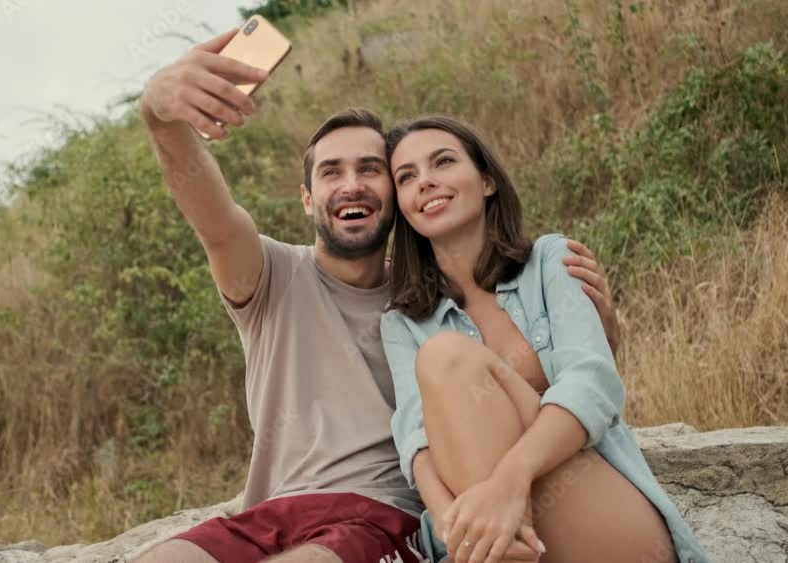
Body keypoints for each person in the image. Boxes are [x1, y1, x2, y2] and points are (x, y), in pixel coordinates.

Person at [135, 29, 618, 563]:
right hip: (268, 513)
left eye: (371, 169)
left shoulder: (431, 298)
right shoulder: (269, 274)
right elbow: (215, 221)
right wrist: (163, 121)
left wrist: (602, 327)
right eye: (331, 172)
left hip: (381, 516)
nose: (352, 184)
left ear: (395, 192)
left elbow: (524, 381)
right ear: (306, 197)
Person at [380, 115, 713, 563]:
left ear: (487, 182)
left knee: (446, 356)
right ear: (401, 204)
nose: (426, 182)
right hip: (493, 540)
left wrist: (509, 483)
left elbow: (591, 382)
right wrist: (453, 525)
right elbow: (416, 443)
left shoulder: (551, 261)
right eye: (407, 177)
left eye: (443, 162)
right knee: (442, 358)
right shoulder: (401, 323)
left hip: (596, 507)